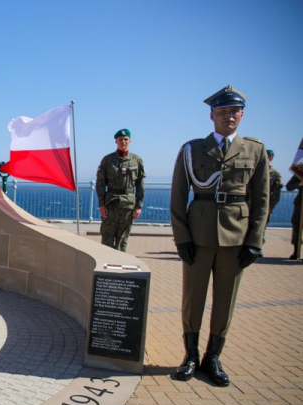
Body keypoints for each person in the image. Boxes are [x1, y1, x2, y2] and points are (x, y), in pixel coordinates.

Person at [170, 85, 269, 387]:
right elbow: (177, 197)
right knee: (193, 300)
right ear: (211, 114)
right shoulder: (192, 149)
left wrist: (255, 241)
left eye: (234, 111)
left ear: (241, 114)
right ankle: (190, 355)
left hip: (236, 238)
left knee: (225, 300)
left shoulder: (255, 150)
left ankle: (213, 357)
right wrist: (182, 238)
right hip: (198, 236)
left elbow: (262, 200)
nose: (229, 116)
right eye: (222, 111)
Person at [95, 129, 146, 252]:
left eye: (126, 139)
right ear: (115, 141)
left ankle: (120, 264)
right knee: (107, 236)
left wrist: (138, 206)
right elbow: (100, 184)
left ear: (130, 141)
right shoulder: (107, 160)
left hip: (128, 204)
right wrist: (101, 204)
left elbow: (140, 185)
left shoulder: (136, 160)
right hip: (111, 203)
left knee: (122, 238)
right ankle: (106, 264)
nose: (123, 142)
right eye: (120, 140)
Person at [287, 168, 302, 259]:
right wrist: (299, 183)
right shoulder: (300, 173)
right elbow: (289, 187)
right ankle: (296, 251)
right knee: (297, 226)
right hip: (300, 204)